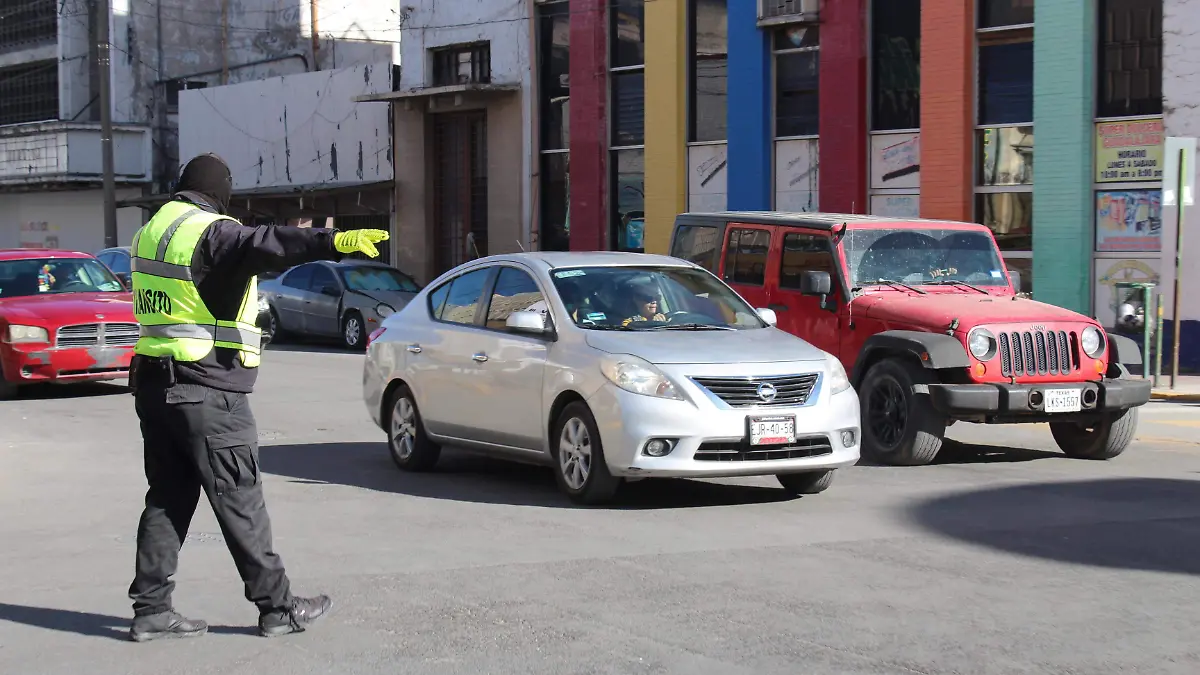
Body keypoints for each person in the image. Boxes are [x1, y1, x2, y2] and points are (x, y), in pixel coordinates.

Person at [125, 153, 389, 642]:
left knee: (166, 499)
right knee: (241, 500)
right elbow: (265, 242)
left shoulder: (152, 232)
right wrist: (330, 239)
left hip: (156, 388)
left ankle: (151, 610)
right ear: (219, 194)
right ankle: (278, 608)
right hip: (207, 390)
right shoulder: (211, 231)